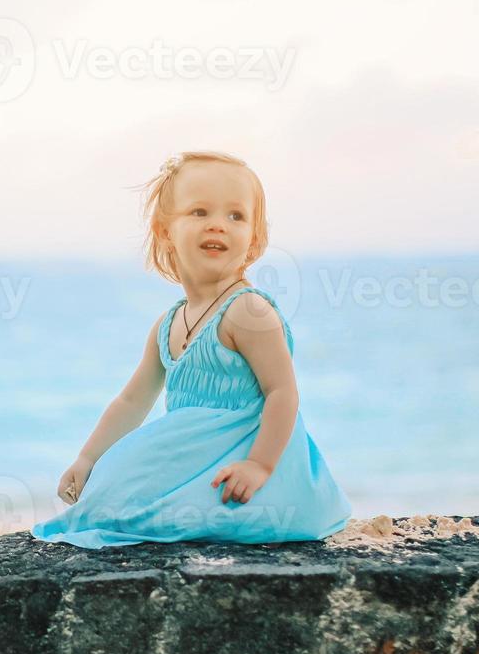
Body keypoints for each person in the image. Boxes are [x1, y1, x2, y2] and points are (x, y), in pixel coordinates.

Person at [31, 151, 351, 548]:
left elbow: (282, 392)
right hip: (193, 458)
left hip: (248, 465)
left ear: (254, 238)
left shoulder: (248, 310)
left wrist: (258, 465)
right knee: (109, 492)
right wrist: (87, 459)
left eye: (236, 216)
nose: (218, 224)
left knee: (149, 517)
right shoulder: (168, 324)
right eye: (199, 212)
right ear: (165, 230)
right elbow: (131, 402)